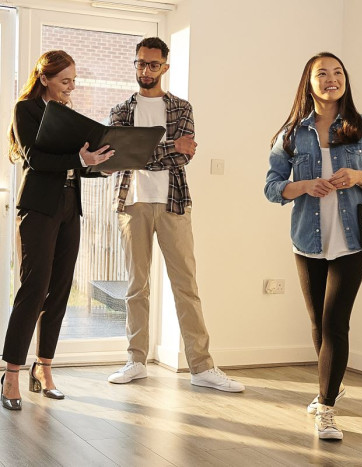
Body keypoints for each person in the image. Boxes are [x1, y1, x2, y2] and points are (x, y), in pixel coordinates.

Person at [264, 52, 362, 439]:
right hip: (307, 239)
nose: (332, 79)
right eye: (323, 73)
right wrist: (303, 185)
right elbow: (272, 188)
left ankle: (326, 407)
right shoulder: (290, 134)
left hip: (353, 239)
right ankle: (331, 384)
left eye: (338, 73)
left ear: (345, 81)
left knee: (336, 322)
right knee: (319, 324)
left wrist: (359, 175)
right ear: (309, 82)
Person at [106, 37, 244, 393]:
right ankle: (136, 360)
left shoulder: (181, 108)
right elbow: (122, 157)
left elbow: (184, 156)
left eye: (153, 64)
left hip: (173, 204)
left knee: (187, 286)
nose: (145, 70)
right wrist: (164, 147)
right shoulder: (121, 109)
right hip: (132, 204)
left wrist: (142, 150)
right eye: (140, 63)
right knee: (136, 287)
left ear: (165, 67)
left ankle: (201, 366)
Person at [0, 50, 113, 410]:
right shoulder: (26, 110)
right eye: (65, 81)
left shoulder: (67, 115)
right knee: (34, 289)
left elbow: (76, 163)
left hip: (69, 208)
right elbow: (36, 158)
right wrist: (80, 160)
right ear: (44, 78)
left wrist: (99, 167)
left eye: (74, 81)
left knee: (61, 290)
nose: (71, 87)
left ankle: (44, 369)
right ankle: (12, 374)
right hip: (38, 208)